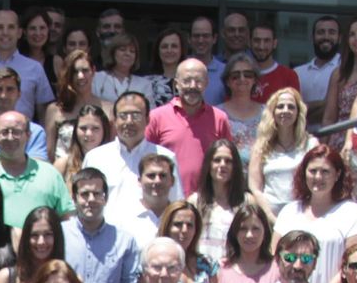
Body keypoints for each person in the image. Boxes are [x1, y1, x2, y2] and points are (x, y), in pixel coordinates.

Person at [274, 144, 357, 283]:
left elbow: (353, 264)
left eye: (325, 171)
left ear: (337, 175)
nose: (318, 177)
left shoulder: (351, 213)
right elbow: (275, 261)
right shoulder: (289, 212)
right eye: (313, 171)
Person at [0, 111, 73, 229]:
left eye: (16, 132)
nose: (10, 137)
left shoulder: (51, 175)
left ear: (28, 135)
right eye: (4, 132)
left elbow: (67, 219)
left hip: (41, 245)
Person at [85, 91, 179, 221]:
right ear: (115, 119)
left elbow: (176, 204)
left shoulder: (165, 157)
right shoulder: (95, 158)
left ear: (147, 120)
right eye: (123, 116)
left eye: (136, 116)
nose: (129, 122)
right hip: (108, 236)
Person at [146, 58, 235, 194]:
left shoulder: (219, 118)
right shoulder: (156, 117)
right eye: (187, 80)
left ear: (206, 83)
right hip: (166, 199)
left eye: (198, 81)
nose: (192, 86)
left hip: (208, 199)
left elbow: (229, 161)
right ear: (176, 84)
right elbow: (145, 160)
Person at [62, 167, 139, 283]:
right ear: (74, 198)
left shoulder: (124, 241)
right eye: (84, 194)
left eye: (97, 194)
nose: (91, 199)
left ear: (105, 198)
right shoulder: (60, 235)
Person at [248, 87, 318, 213]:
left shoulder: (310, 144)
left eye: (291, 107)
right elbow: (255, 188)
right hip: (270, 217)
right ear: (273, 112)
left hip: (302, 215)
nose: (285, 111)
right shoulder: (260, 147)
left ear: (298, 112)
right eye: (280, 106)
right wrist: (270, 218)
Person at [214, 202, 279, 283]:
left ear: (265, 232)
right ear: (235, 233)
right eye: (243, 229)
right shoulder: (221, 269)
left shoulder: (277, 270)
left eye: (255, 229)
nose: (249, 235)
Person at [43, 48, 107, 163]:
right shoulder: (55, 110)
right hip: (63, 173)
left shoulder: (108, 109)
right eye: (74, 71)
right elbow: (49, 152)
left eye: (85, 70)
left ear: (93, 71)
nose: (80, 76)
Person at [189, 137, 247, 262]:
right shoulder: (195, 201)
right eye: (217, 160)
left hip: (234, 269)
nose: (222, 165)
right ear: (208, 165)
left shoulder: (246, 201)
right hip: (202, 271)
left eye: (228, 161)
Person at [319, 14, 357, 150]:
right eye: (352, 34)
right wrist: (322, 148)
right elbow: (329, 117)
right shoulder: (339, 74)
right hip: (339, 139)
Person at [115, 153, 180, 252]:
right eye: (151, 176)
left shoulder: (179, 216)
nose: (157, 181)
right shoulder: (123, 218)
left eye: (162, 175)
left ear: (172, 181)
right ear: (139, 181)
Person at [158, 199, 218, 283]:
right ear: (167, 227)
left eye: (189, 225)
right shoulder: (154, 263)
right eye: (178, 224)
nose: (184, 230)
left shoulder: (207, 263)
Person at [217, 53, 263, 167]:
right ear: (227, 81)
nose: (242, 79)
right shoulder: (216, 114)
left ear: (255, 80)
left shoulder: (267, 113)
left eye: (247, 74)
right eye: (235, 75)